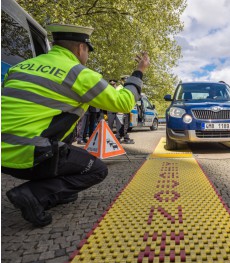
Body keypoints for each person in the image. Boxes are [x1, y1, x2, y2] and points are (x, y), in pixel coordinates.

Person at [1, 23, 150, 227]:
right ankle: (33, 194)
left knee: (68, 145)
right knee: (96, 169)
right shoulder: (79, 74)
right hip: (28, 154)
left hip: (3, 155)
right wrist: (139, 72)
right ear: (81, 48)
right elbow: (123, 103)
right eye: (88, 50)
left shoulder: (20, 67)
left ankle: (57, 193)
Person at [117, 75, 134, 144]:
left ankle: (125, 137)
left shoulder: (127, 88)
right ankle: (120, 138)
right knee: (121, 124)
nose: (126, 81)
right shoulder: (119, 88)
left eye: (127, 80)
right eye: (125, 80)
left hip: (127, 109)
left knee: (126, 124)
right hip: (121, 108)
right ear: (122, 81)